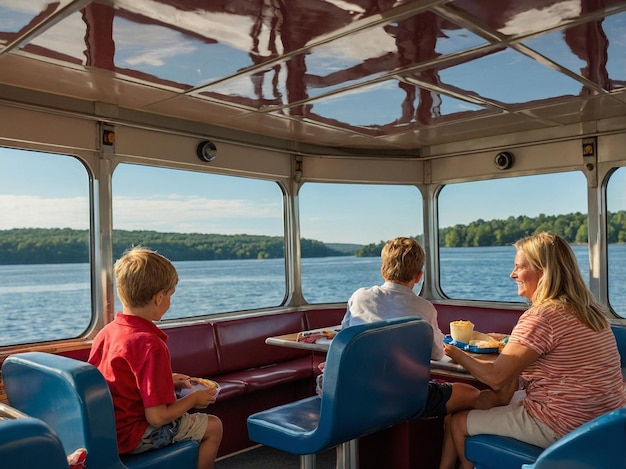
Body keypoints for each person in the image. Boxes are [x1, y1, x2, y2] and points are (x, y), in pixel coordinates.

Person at [440, 232, 626, 469]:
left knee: (457, 422)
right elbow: (558, 349)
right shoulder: (590, 312)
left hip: (563, 425)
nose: (512, 274)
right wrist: (507, 339)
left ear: (543, 271)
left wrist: (457, 353)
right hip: (603, 423)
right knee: (508, 400)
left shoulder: (541, 317)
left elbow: (496, 378)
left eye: (519, 267)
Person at [88, 246, 223, 469]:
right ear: (160, 297)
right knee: (213, 426)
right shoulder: (151, 345)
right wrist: (193, 400)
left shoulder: (107, 332)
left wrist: (168, 380)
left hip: (109, 430)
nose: (169, 300)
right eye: (170, 295)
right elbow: (158, 417)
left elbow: (122, 384)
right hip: (135, 435)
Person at [341, 237, 498, 418]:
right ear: (418, 276)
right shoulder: (424, 308)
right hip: (403, 399)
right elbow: (438, 354)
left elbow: (346, 337)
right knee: (472, 394)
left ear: (383, 271)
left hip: (356, 393)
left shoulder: (359, 297)